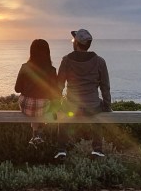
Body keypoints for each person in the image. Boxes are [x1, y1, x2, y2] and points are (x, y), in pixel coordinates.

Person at [55, 27, 111, 159]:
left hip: (72, 108)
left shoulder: (66, 60)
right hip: (91, 108)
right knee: (99, 107)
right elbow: (105, 87)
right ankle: (97, 149)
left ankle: (61, 149)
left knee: (64, 111)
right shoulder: (99, 61)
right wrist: (107, 105)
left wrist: (57, 104)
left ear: (76, 43)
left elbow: (59, 86)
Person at [14, 39, 59, 145]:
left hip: (26, 105)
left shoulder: (25, 67)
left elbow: (17, 89)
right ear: (47, 52)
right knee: (44, 105)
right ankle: (39, 133)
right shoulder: (51, 70)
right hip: (42, 107)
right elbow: (55, 92)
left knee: (35, 105)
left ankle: (35, 134)